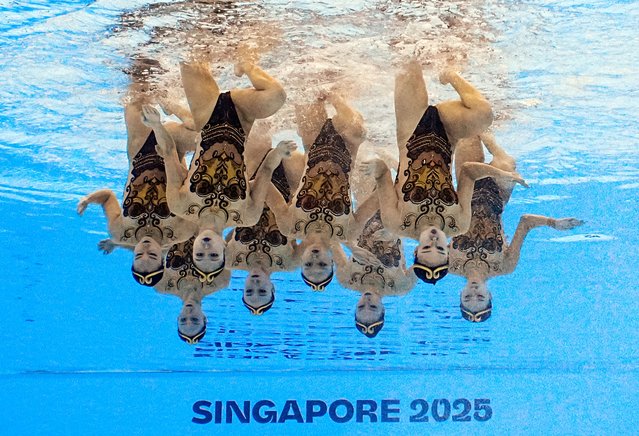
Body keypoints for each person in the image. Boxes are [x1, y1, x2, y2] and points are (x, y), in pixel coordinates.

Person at [360, 60, 526, 284]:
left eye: (428, 247)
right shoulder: (458, 223)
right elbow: (467, 172)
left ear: (416, 252)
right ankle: (450, 74)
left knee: (405, 57)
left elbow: (382, 174)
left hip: (411, 130)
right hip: (447, 134)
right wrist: (503, 175)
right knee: (483, 115)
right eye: (440, 248)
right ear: (448, 251)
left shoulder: (396, 223)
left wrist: (374, 166)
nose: (434, 239)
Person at [154, 60, 295, 276]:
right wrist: (277, 154)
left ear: (193, 248)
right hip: (241, 118)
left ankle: (183, 112)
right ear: (224, 250)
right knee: (276, 97)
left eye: (200, 255)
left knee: (192, 55)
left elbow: (169, 153)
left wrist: (155, 125)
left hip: (206, 115)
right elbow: (264, 173)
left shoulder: (179, 205)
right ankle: (245, 62)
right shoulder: (247, 216)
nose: (207, 249)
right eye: (214, 255)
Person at [448, 133, 584, 322]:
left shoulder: (448, 266)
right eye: (480, 297)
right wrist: (554, 223)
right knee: (505, 164)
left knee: (468, 132)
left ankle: (488, 128)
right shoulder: (505, 267)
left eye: (467, 297)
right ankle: (491, 138)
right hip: (496, 194)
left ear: (460, 295)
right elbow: (526, 221)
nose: (474, 292)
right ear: (489, 296)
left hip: (466, 189)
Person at [76, 93, 198, 287]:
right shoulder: (181, 231)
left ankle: (160, 88)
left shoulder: (119, 231)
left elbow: (107, 197)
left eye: (139, 254)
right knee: (203, 133)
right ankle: (172, 104)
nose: (146, 248)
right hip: (173, 145)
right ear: (162, 258)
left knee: (136, 85)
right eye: (152, 254)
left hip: (140, 145)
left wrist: (88, 199)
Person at [267, 92, 375, 291]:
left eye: (309, 264)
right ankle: (337, 93)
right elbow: (378, 200)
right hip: (348, 145)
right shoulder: (348, 232)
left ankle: (334, 90)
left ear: (302, 261)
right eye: (322, 265)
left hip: (313, 141)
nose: (315, 259)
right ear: (332, 262)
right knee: (357, 129)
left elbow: (262, 185)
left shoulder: (289, 226)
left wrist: (273, 159)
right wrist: (380, 173)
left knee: (307, 85)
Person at [225, 125, 305, 315]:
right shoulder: (289, 263)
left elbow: (214, 228)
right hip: (287, 184)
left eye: (249, 290)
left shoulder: (230, 259)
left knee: (261, 124)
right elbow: (317, 238)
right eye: (261, 290)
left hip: (255, 177)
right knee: (304, 150)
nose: (255, 284)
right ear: (272, 288)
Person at [332, 206, 417, 338]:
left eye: (361, 307)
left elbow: (329, 238)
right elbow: (427, 252)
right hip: (397, 212)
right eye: (372, 306)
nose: (367, 300)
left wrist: (352, 247)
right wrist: (396, 233)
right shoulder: (401, 286)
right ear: (383, 309)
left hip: (365, 210)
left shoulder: (345, 279)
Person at [154, 236, 231, 343]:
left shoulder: (162, 284)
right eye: (194, 319)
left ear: (178, 318)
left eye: (183, 320)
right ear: (204, 318)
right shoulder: (220, 281)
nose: (188, 313)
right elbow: (230, 243)